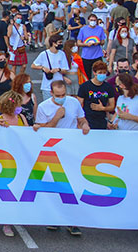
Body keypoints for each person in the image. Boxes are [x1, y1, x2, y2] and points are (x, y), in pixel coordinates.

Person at [32, 79, 89, 237]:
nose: (61, 97)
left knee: (72, 185)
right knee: (55, 185)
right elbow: (43, 130)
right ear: (51, 93)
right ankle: (55, 218)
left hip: (70, 150)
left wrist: (84, 125)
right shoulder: (44, 107)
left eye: (63, 94)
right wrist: (57, 117)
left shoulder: (74, 103)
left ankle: (73, 222)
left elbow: (81, 119)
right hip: (52, 151)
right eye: (58, 95)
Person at [76, 60, 115, 130]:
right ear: (94, 73)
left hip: (102, 120)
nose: (102, 75)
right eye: (100, 73)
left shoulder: (108, 87)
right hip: (88, 120)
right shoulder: (85, 86)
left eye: (104, 73)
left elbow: (112, 106)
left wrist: (103, 108)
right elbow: (78, 105)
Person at [32, 36, 72, 103]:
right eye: (59, 42)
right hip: (47, 86)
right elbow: (33, 65)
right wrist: (43, 68)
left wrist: (58, 69)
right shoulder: (44, 54)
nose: (61, 44)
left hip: (59, 85)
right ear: (54, 43)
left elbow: (65, 69)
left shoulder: (62, 54)